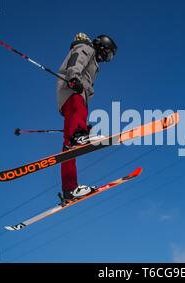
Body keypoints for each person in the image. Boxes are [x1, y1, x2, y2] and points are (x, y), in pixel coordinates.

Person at [56, 32, 117, 201]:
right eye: (109, 53)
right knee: (78, 117)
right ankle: (79, 136)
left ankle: (70, 188)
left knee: (68, 150)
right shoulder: (86, 48)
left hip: (68, 97)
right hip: (73, 93)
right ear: (102, 46)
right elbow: (77, 61)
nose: (107, 57)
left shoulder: (91, 56)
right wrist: (74, 77)